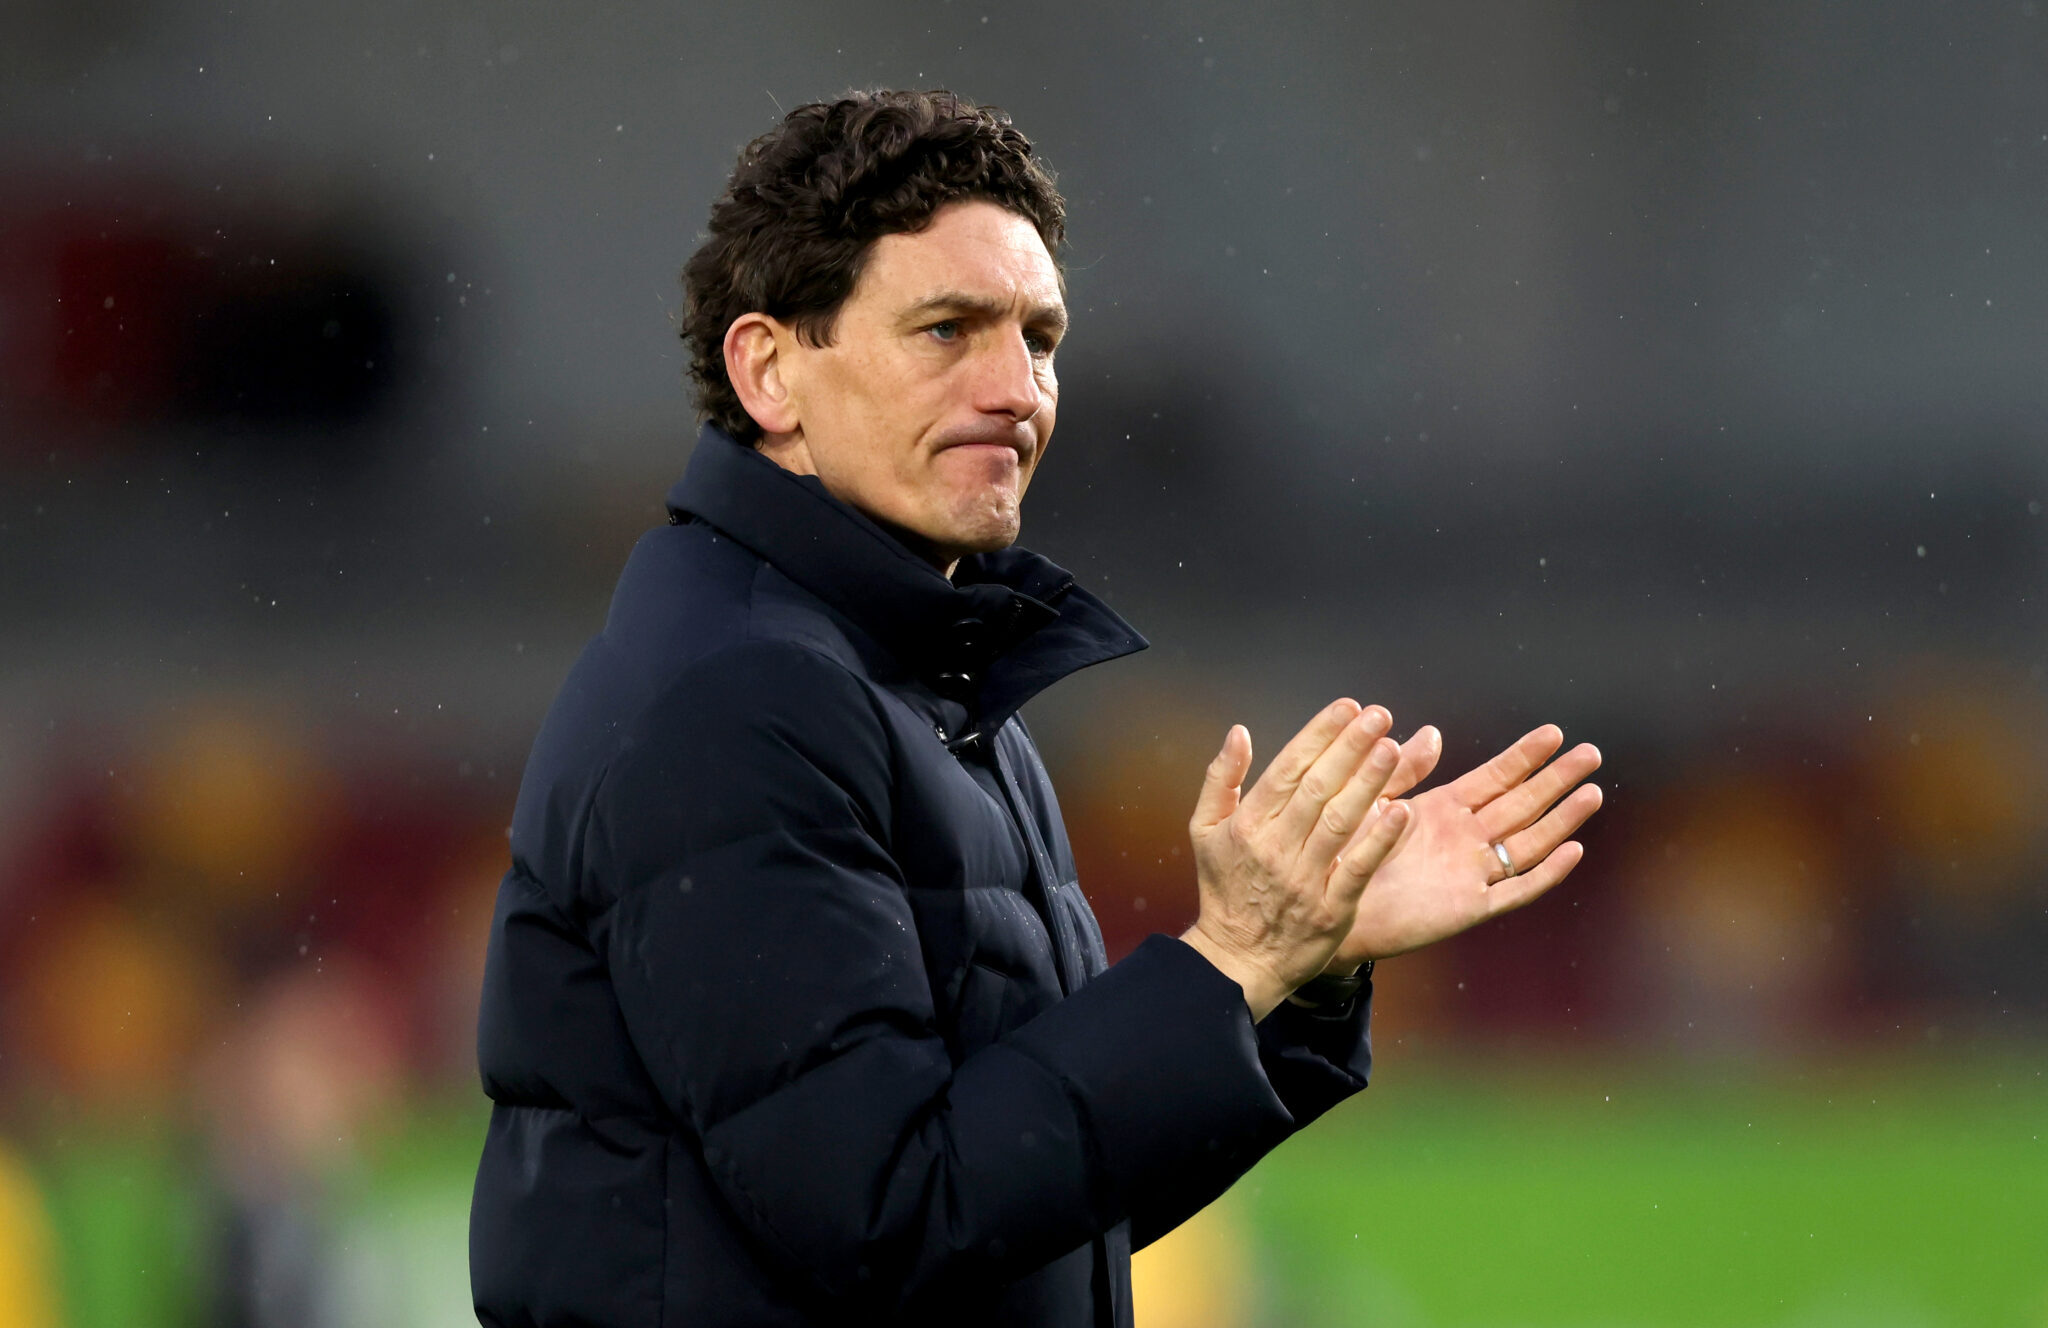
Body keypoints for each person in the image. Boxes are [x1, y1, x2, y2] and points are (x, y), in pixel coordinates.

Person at [468, 88, 1602, 1328]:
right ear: (770, 369)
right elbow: (890, 1214)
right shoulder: (741, 699)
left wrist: (1289, 972)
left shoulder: (918, 684)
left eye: (1040, 337)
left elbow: (1036, 1200)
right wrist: (1227, 961)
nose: (1017, 387)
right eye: (947, 328)